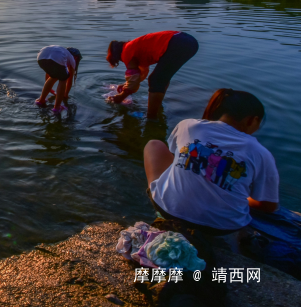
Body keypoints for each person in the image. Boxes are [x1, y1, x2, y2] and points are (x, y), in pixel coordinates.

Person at [143, 89, 279, 234]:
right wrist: (243, 197)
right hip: (223, 227)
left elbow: (174, 156)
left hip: (167, 209)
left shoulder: (188, 125)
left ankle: (174, 198)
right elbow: (269, 206)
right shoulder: (260, 153)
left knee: (154, 145)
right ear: (251, 120)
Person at [106, 31, 198, 119]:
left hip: (177, 42)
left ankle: (151, 117)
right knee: (161, 78)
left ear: (117, 56)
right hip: (189, 41)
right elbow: (141, 73)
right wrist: (126, 85)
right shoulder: (132, 47)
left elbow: (134, 77)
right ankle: (157, 107)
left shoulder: (126, 53)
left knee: (156, 80)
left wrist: (121, 96)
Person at [35, 46, 82, 114]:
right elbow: (69, 79)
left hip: (40, 57)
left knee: (54, 76)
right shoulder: (71, 58)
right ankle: (57, 108)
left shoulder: (61, 51)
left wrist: (50, 89)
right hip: (55, 59)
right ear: (76, 57)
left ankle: (41, 100)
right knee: (63, 79)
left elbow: (48, 74)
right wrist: (65, 95)